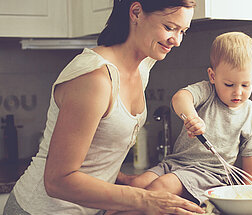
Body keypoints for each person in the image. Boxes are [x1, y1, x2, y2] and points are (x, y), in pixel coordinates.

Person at [4, 0, 205, 214]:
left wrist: (121, 179)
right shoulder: (94, 78)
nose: (177, 41)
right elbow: (57, 181)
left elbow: (96, 148)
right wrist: (144, 198)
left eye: (183, 31)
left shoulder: (143, 65)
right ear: (136, 12)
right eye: (169, 27)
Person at [118, 32, 252, 205]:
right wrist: (192, 117)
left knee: (161, 186)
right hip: (176, 162)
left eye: (245, 85)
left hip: (209, 174)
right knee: (137, 184)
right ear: (212, 76)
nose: (238, 92)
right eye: (229, 84)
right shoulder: (207, 92)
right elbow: (180, 98)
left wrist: (246, 197)